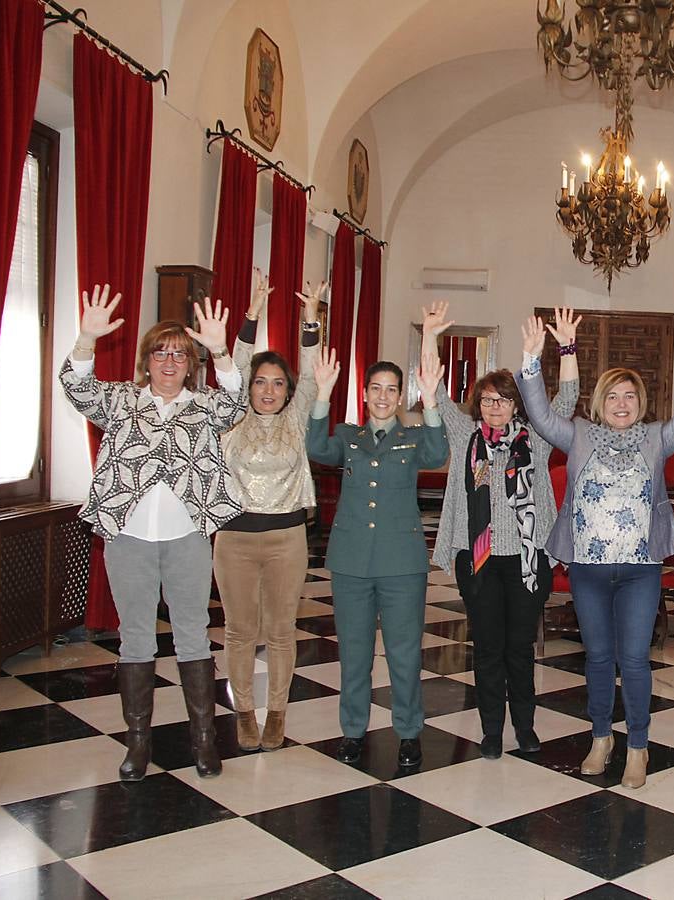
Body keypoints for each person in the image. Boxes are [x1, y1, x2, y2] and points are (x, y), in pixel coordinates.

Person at [515, 298, 674, 789]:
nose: (622, 404)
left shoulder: (657, 438)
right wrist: (532, 361)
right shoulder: (578, 434)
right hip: (588, 567)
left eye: (629, 396)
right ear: (600, 403)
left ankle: (639, 747)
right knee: (599, 657)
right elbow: (539, 414)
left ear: (639, 402)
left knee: (634, 658)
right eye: (613, 397)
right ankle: (601, 737)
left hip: (640, 569)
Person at [60, 285, 246, 781]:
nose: (169, 361)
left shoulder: (205, 406)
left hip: (187, 536)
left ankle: (203, 740)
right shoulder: (121, 401)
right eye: (160, 353)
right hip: (127, 537)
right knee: (135, 638)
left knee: (192, 635)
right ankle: (137, 743)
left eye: (179, 354)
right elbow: (77, 388)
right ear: (146, 361)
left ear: (191, 364)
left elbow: (237, 402)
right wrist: (85, 339)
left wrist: (222, 349)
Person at [423, 301, 580, 760]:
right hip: (479, 562)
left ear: (517, 403)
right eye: (487, 399)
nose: (494, 407)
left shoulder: (536, 438)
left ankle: (525, 728)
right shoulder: (463, 435)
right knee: (487, 650)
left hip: (528, 564)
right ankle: (492, 731)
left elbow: (567, 401)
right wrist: (431, 335)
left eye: (503, 399)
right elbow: (432, 387)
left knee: (520, 651)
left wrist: (564, 347)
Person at [306, 347, 449, 768]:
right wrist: (322, 393)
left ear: (401, 395)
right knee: (354, 652)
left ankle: (408, 732)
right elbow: (317, 448)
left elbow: (438, 454)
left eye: (392, 389)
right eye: (376, 388)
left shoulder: (414, 437)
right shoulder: (348, 437)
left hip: (402, 562)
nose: (384, 396)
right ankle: (352, 730)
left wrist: (432, 400)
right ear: (365, 393)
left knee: (404, 653)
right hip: (351, 561)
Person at [216, 272, 324, 752]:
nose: (267, 390)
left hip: (286, 540)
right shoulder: (231, 415)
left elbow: (313, 368)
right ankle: (244, 712)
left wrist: (310, 317)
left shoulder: (297, 419)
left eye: (278, 383)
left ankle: (276, 713)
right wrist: (252, 312)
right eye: (260, 382)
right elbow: (234, 367)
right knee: (239, 632)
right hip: (234, 540)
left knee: (281, 632)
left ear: (287, 390)